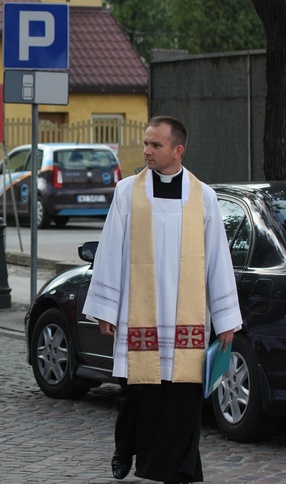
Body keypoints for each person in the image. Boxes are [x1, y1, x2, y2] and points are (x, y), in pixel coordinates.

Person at [82, 116, 242, 483]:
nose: (147, 151)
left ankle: (178, 469)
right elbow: (110, 252)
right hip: (142, 313)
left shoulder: (204, 197)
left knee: (184, 398)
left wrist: (226, 319)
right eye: (145, 143)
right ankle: (125, 449)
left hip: (186, 317)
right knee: (137, 395)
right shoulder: (127, 192)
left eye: (155, 145)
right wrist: (107, 309)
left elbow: (218, 257)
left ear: (177, 150)